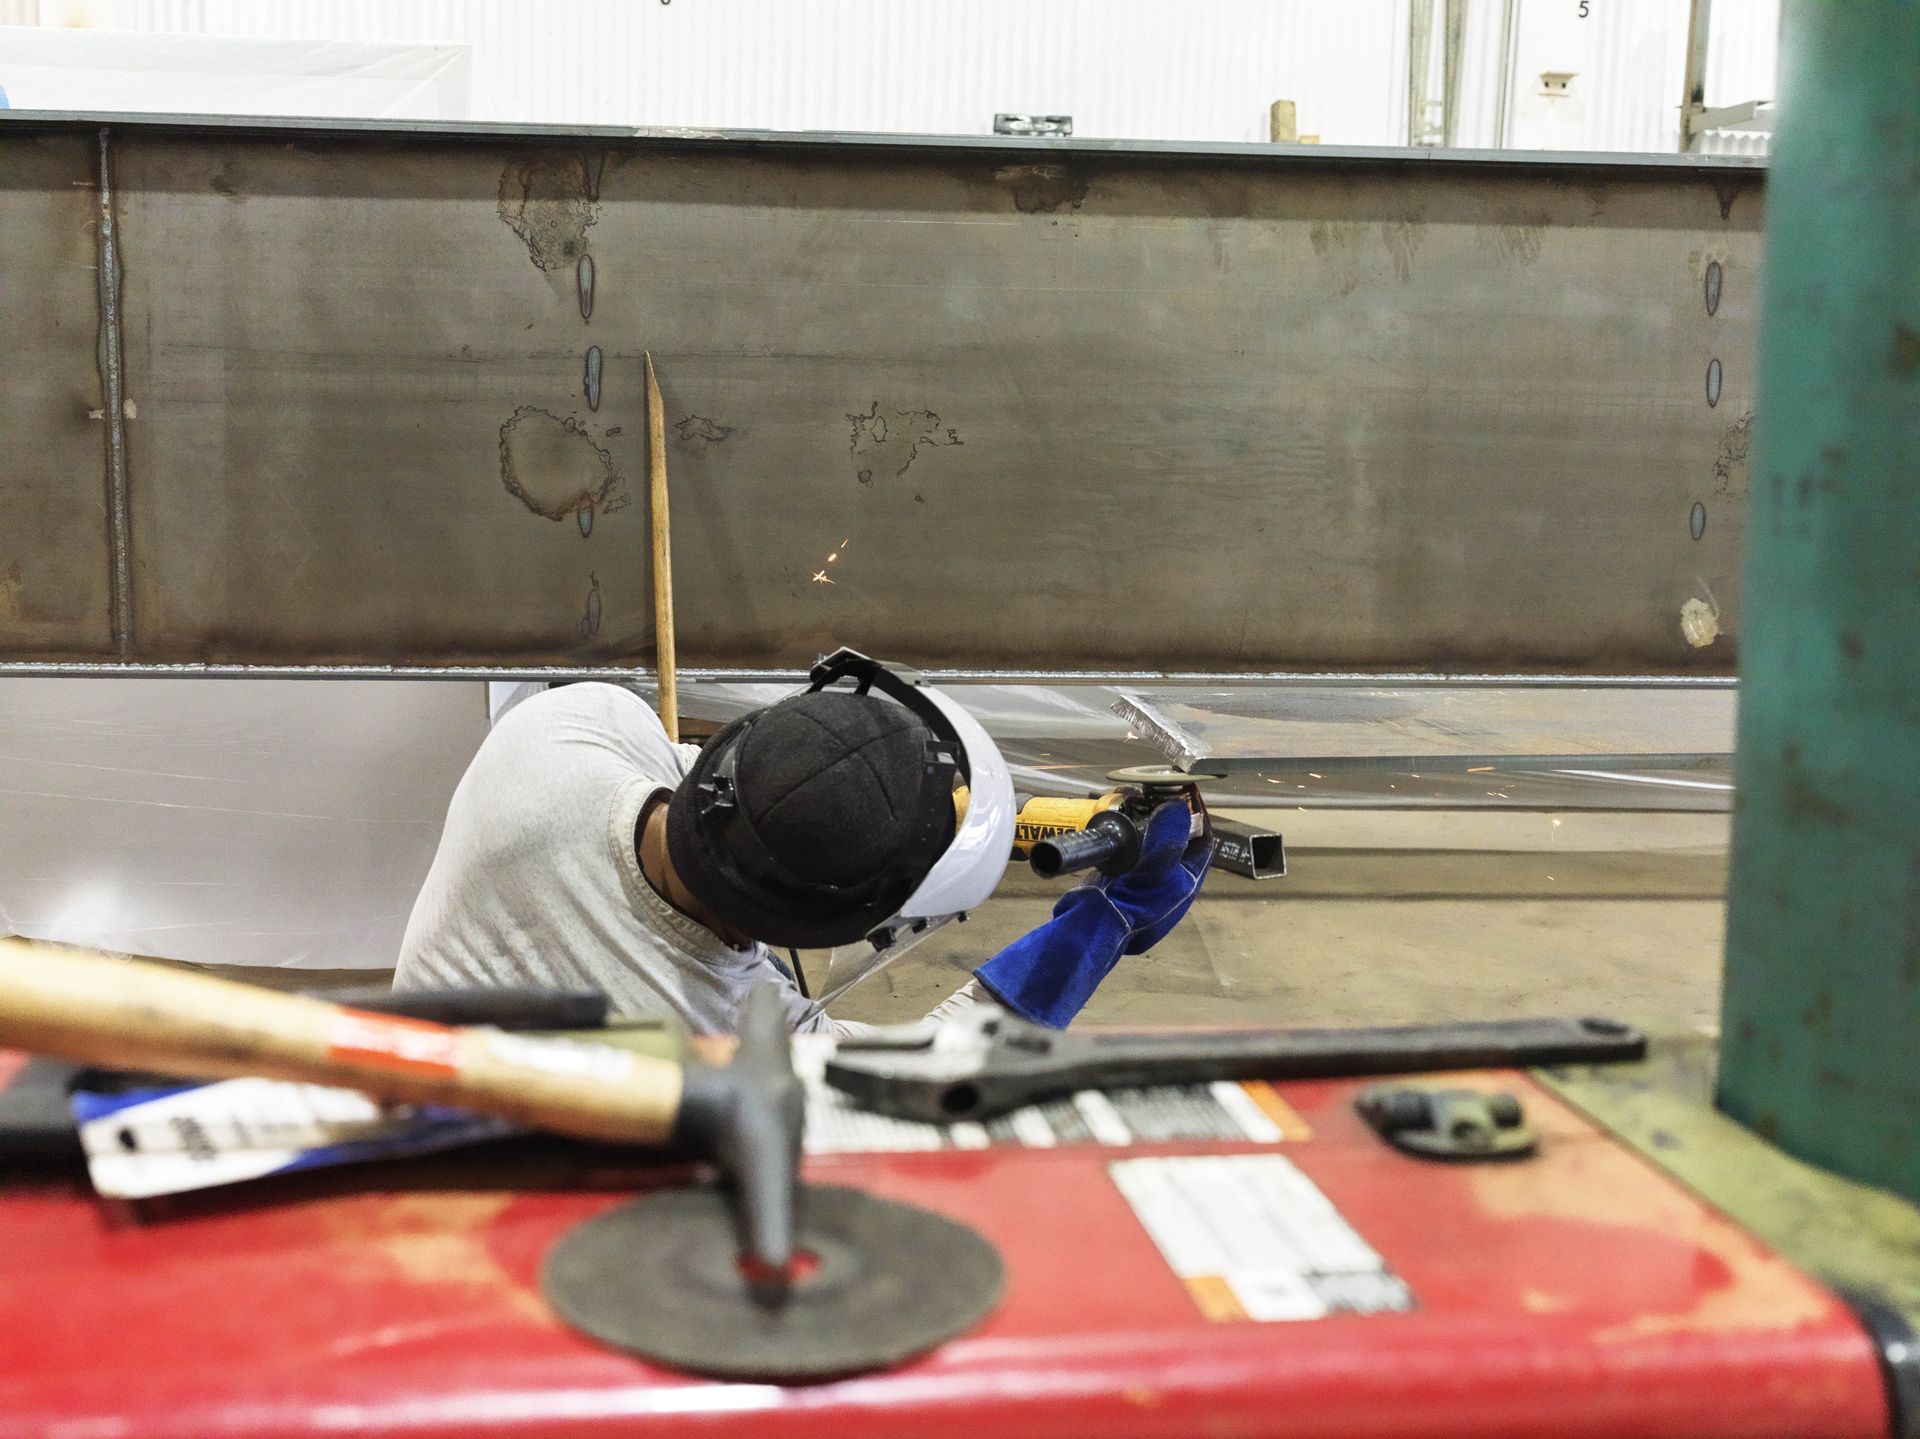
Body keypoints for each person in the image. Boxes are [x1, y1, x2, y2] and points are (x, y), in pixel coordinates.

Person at [394, 648, 1211, 1036]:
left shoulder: (561, 729)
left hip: (431, 1075)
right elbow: (941, 1063)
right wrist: (1101, 922)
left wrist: (1015, 824)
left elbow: (762, 783)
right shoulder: (721, 1037)